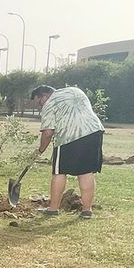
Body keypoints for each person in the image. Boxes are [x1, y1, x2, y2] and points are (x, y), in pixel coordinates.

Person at [30, 85, 104, 219]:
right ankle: (87, 210)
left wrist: (40, 150)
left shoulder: (50, 103)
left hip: (69, 136)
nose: (40, 106)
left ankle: (53, 209)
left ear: (44, 96)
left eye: (39, 102)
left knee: (59, 171)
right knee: (86, 171)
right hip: (94, 131)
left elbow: (47, 133)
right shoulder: (75, 90)